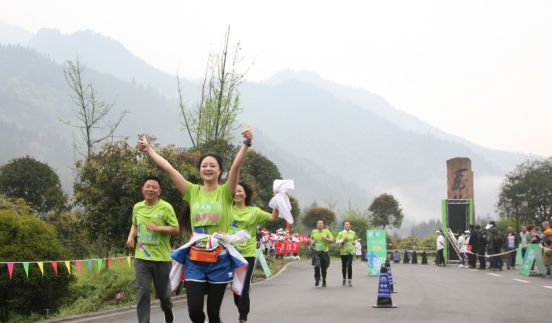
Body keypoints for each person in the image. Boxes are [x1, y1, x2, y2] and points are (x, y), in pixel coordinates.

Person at [137, 125, 253, 323]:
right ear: (199, 170)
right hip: (195, 259)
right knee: (195, 311)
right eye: (204, 165)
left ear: (220, 170)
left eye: (213, 165)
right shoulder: (192, 191)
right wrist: (149, 150)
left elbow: (236, 167)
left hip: (220, 259)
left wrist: (246, 144)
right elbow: (168, 168)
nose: (208, 168)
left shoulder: (226, 192)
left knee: (214, 313)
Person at [126, 176, 179, 323]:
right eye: (147, 186)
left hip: (161, 259)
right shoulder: (137, 207)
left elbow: (175, 229)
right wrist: (131, 236)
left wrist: (158, 228)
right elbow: (135, 224)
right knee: (142, 291)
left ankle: (168, 310)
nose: (150, 189)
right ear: (143, 189)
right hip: (142, 258)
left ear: (159, 191)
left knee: (163, 294)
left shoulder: (166, 207)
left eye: (154, 187)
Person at [231, 182, 279, 323]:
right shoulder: (226, 209)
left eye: (240, 191)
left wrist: (276, 202)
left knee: (244, 286)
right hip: (229, 254)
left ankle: (243, 317)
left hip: (247, 254)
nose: (237, 194)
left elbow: (273, 218)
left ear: (246, 193)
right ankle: (241, 308)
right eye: (234, 191)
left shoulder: (254, 211)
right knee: (235, 288)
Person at [310, 220, 335, 287]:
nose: (320, 224)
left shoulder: (327, 232)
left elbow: (332, 240)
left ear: (323, 225)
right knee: (317, 266)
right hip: (316, 252)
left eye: (321, 223)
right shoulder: (314, 231)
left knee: (324, 268)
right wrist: (312, 242)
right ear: (317, 225)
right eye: (318, 223)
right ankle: (317, 279)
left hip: (324, 253)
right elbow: (311, 238)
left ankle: (324, 280)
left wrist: (326, 238)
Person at [335, 220, 358, 286]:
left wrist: (355, 242)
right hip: (343, 251)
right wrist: (343, 240)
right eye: (346, 224)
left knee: (350, 265)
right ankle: (344, 278)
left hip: (351, 251)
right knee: (344, 266)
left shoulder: (353, 232)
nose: (347, 225)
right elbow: (336, 241)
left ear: (350, 225)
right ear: (344, 226)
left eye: (348, 224)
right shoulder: (341, 233)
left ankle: (350, 280)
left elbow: (356, 239)